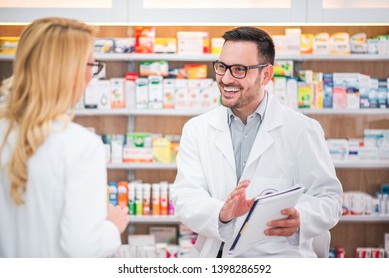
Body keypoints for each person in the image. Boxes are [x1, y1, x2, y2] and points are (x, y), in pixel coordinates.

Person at [171, 26, 343, 258]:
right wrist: (222, 212)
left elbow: (329, 199)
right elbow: (185, 197)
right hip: (218, 255)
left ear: (266, 75)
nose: (226, 78)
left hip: (280, 256)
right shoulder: (197, 129)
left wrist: (301, 216)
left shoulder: (302, 129)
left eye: (239, 69)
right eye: (222, 67)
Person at [0, 17, 129, 257]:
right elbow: (81, 250)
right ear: (68, 72)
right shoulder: (81, 146)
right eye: (91, 65)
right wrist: (112, 226)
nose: (92, 76)